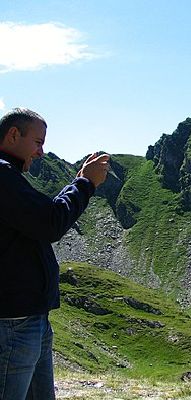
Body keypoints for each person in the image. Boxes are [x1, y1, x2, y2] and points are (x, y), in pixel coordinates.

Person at [0, 108, 110, 400]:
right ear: (13, 135)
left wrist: (79, 183)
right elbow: (50, 223)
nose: (41, 152)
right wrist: (85, 183)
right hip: (13, 322)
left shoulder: (8, 176)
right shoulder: (2, 175)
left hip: (28, 318)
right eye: (38, 142)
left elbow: (42, 218)